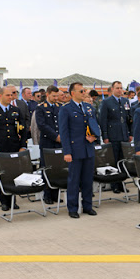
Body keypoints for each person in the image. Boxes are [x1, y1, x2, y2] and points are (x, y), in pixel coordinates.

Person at [58, 82, 100, 217]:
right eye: (81, 91)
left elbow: (94, 125)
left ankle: (88, 206)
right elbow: (64, 132)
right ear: (72, 93)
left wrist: (94, 137)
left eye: (84, 91)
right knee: (74, 180)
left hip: (88, 148)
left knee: (88, 180)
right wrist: (67, 152)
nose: (84, 93)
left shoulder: (88, 107)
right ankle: (73, 208)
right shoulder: (66, 109)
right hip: (75, 150)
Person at [0, 85, 27, 211]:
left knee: (14, 175)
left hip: (14, 147)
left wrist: (23, 146)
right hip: (0, 149)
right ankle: (4, 201)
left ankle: (13, 200)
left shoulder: (16, 110)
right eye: (8, 95)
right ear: (0, 96)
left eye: (12, 95)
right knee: (2, 175)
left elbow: (23, 129)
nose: (10, 97)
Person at [99, 80, 132, 193]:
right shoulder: (107, 102)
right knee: (114, 161)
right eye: (117, 88)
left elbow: (129, 119)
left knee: (123, 161)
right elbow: (103, 121)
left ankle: (122, 183)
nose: (119, 90)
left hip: (123, 135)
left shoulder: (125, 101)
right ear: (112, 89)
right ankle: (114, 185)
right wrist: (105, 136)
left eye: (121, 88)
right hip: (113, 136)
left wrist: (130, 133)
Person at [36, 85, 62, 204]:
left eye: (57, 95)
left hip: (60, 142)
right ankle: (47, 195)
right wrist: (55, 136)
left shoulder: (60, 107)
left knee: (58, 168)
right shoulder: (41, 108)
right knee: (46, 168)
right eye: (54, 96)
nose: (56, 98)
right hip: (48, 142)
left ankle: (56, 194)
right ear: (48, 94)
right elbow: (42, 125)